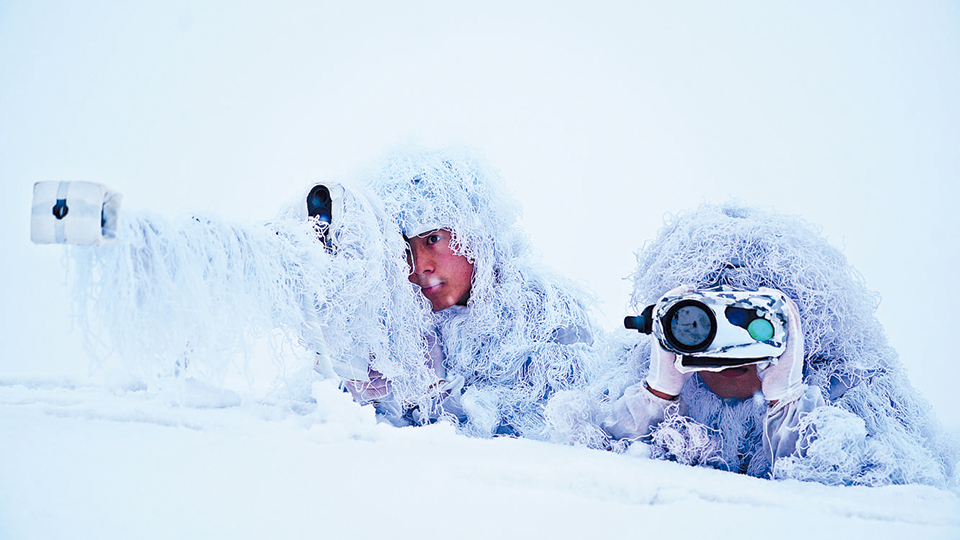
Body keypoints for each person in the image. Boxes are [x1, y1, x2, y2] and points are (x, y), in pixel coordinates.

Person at [549, 201, 956, 487]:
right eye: (702, 320)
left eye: (752, 321)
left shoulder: (855, 387)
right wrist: (656, 397)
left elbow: (898, 498)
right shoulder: (643, 363)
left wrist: (787, 402)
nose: (728, 350)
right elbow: (577, 465)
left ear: (802, 320)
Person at [349, 145, 601, 438]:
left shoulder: (544, 316)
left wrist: (433, 392)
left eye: (433, 238)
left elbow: (553, 437)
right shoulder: (389, 325)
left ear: (475, 232)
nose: (419, 266)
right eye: (404, 248)